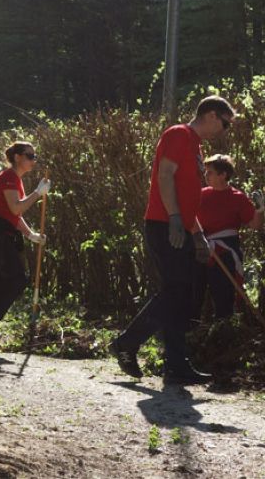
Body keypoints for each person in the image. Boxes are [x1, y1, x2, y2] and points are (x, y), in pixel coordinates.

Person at [110, 96, 236, 385]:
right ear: (213, 115)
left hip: (179, 225)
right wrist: (175, 218)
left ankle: (175, 365)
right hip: (164, 224)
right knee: (176, 289)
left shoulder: (195, 145)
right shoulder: (179, 134)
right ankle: (128, 343)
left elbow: (188, 195)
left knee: (181, 293)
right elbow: (164, 176)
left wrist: (198, 233)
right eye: (226, 123)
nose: (225, 130)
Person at [0, 141, 50, 353]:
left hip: (0, 235)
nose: (34, 160)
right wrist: (37, 193)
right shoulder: (8, 177)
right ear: (17, 157)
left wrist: (31, 234)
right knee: (16, 279)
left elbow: (13, 215)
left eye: (35, 156)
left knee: (1, 282)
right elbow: (15, 209)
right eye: (30, 156)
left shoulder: (15, 180)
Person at [194, 154, 263, 321]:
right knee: (195, 293)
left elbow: (254, 224)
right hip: (200, 247)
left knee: (223, 293)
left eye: (210, 172)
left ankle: (225, 327)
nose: (206, 175)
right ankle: (193, 332)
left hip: (226, 251)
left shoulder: (237, 197)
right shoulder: (200, 195)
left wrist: (261, 209)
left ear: (223, 175)